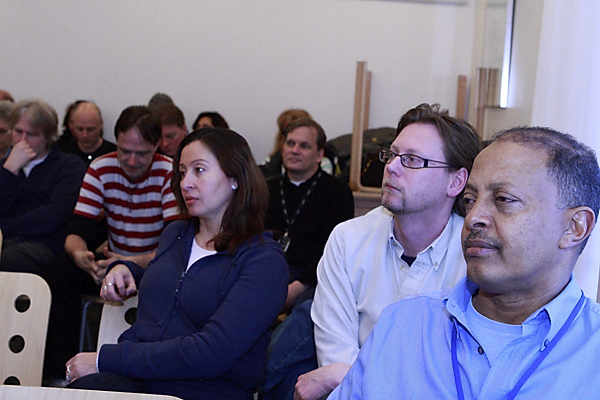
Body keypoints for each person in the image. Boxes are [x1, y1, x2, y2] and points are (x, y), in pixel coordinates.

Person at [329, 126, 600, 399]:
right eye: (469, 200)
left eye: (503, 200)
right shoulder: (402, 325)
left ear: (575, 227)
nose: (473, 218)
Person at [270, 103, 482, 400]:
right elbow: (335, 360)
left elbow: (458, 383)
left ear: (456, 181)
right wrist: (344, 376)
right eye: (392, 155)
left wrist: (346, 375)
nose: (391, 167)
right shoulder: (347, 240)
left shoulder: (476, 258)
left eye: (411, 160)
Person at [65, 127, 289, 400]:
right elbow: (175, 283)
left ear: (235, 178)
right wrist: (126, 269)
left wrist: (106, 359)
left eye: (199, 170)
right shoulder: (177, 235)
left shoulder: (264, 261)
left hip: (202, 392)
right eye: (182, 172)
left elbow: (211, 354)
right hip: (136, 382)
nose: (186, 183)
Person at [65, 105, 179, 284]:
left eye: (141, 153)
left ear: (156, 145)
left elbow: (175, 246)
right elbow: (76, 231)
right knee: (61, 268)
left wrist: (129, 263)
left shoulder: (169, 172)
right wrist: (79, 254)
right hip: (114, 262)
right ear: (116, 141)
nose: (132, 161)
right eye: (124, 151)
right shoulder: (100, 169)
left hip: (157, 265)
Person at [265, 118, 354, 309]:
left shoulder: (337, 191)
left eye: (304, 146)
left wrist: (300, 285)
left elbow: (334, 252)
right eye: (290, 143)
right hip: (267, 270)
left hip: (312, 279)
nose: (294, 150)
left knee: (310, 310)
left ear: (319, 155)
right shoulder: (266, 188)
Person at [0, 99, 86, 278]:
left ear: (48, 137)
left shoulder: (68, 166)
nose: (22, 140)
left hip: (45, 244)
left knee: (8, 259)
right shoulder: (5, 167)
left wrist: (5, 226)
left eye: (31, 134)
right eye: (18, 131)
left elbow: (53, 215)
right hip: (6, 241)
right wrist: (9, 171)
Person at [58, 101, 116, 165]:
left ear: (101, 124)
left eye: (90, 129)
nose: (84, 135)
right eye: (80, 129)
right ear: (71, 125)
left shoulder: (114, 155)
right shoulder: (62, 153)